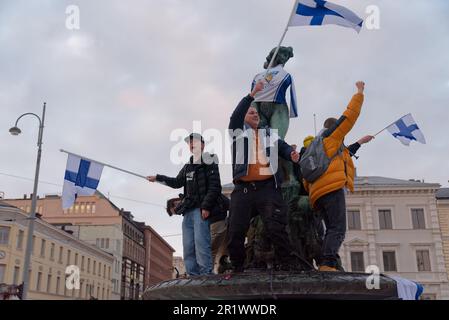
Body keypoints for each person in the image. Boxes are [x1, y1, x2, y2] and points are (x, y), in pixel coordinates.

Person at [227, 80, 306, 273]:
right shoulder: (237, 132)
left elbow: (284, 146)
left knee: (276, 227)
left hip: (267, 189)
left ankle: (287, 263)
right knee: (236, 231)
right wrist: (252, 94)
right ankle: (237, 267)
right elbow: (235, 115)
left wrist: (291, 155)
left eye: (256, 112)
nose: (255, 113)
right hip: (243, 190)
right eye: (251, 112)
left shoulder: (268, 133)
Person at [303, 81, 366, 272]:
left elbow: (307, 173)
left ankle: (325, 261)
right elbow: (349, 116)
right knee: (338, 228)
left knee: (328, 230)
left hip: (317, 193)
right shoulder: (332, 138)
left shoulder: (317, 145)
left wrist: (360, 142)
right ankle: (327, 263)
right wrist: (359, 93)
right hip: (331, 189)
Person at [147, 133, 221, 276]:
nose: (192, 144)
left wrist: (206, 206)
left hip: (200, 210)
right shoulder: (188, 166)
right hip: (188, 212)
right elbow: (176, 182)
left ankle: (206, 274)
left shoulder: (209, 161)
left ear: (203, 145)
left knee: (201, 244)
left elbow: (215, 187)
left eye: (195, 142)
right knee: (188, 246)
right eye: (190, 143)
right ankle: (193, 275)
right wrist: (158, 178)